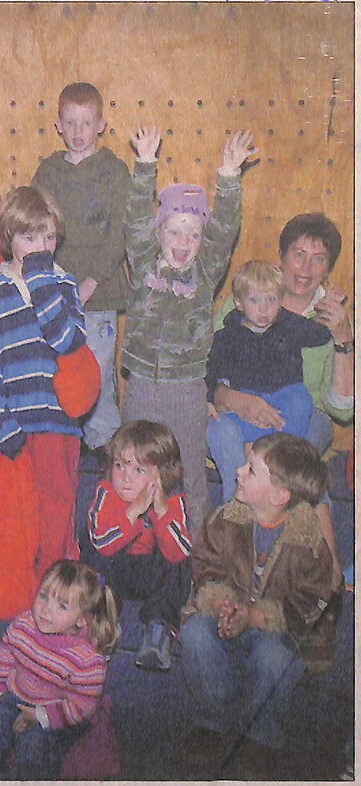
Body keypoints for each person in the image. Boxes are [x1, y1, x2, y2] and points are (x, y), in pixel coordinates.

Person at [121, 124, 256, 534]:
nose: (183, 242)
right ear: (159, 233)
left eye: (193, 234)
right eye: (174, 231)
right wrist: (145, 165)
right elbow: (135, 220)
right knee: (135, 469)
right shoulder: (144, 262)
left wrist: (229, 177)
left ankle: (195, 553)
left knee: (191, 474)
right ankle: (134, 543)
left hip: (187, 391)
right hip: (142, 385)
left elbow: (223, 232)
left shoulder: (204, 273)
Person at [179, 433, 335, 778]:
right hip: (229, 616)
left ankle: (261, 736)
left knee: (274, 656)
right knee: (195, 635)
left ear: (279, 495)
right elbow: (205, 565)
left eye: (250, 470)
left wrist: (256, 616)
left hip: (277, 631)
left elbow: (313, 601)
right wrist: (223, 604)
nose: (238, 471)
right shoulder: (226, 519)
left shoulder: (308, 541)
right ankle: (213, 721)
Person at [209, 213, 353, 586]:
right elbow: (211, 369)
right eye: (298, 253)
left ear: (328, 269)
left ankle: (326, 570)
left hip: (304, 417)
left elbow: (341, 409)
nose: (305, 267)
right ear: (282, 256)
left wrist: (343, 341)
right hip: (244, 409)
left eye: (318, 258)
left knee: (296, 456)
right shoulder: (248, 293)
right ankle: (235, 530)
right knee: (230, 437)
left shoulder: (328, 317)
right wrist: (239, 402)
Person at [0, 186, 88, 577]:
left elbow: (66, 341)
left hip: (58, 423)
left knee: (58, 510)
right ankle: (22, 592)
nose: (40, 245)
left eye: (48, 237)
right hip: (16, 424)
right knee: (19, 513)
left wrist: (42, 281)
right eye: (29, 237)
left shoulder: (63, 284)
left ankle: (57, 589)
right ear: (9, 239)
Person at [32, 82, 131, 449]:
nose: (78, 133)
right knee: (59, 369)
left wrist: (91, 282)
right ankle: (62, 441)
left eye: (86, 123)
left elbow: (121, 234)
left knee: (98, 372)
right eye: (70, 123)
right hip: (55, 293)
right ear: (58, 124)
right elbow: (34, 226)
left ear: (101, 125)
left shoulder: (115, 171)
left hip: (98, 295)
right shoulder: (48, 172)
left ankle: (105, 447)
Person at [0, 560, 117, 780]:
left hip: (57, 708)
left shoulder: (88, 660)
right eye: (44, 596)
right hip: (18, 694)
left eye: (62, 606)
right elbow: (6, 655)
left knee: (35, 741)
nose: (46, 609)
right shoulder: (24, 624)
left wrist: (40, 716)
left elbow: (81, 706)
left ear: (82, 619)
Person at [80, 420, 192, 670]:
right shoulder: (106, 492)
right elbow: (102, 543)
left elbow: (179, 553)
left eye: (139, 471)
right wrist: (134, 512)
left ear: (161, 476)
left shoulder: (174, 500)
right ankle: (103, 619)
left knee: (179, 556)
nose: (125, 478)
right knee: (90, 541)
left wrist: (161, 511)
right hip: (115, 572)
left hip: (151, 575)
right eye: (119, 466)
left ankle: (159, 627)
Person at [207, 259, 331, 448]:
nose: (263, 309)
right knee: (220, 425)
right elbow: (211, 371)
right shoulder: (227, 336)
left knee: (301, 397)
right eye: (254, 300)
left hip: (284, 401)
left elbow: (319, 334)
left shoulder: (288, 324)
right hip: (247, 401)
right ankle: (256, 449)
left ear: (280, 302)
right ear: (239, 303)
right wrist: (212, 399)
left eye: (271, 300)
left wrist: (330, 306)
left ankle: (280, 452)